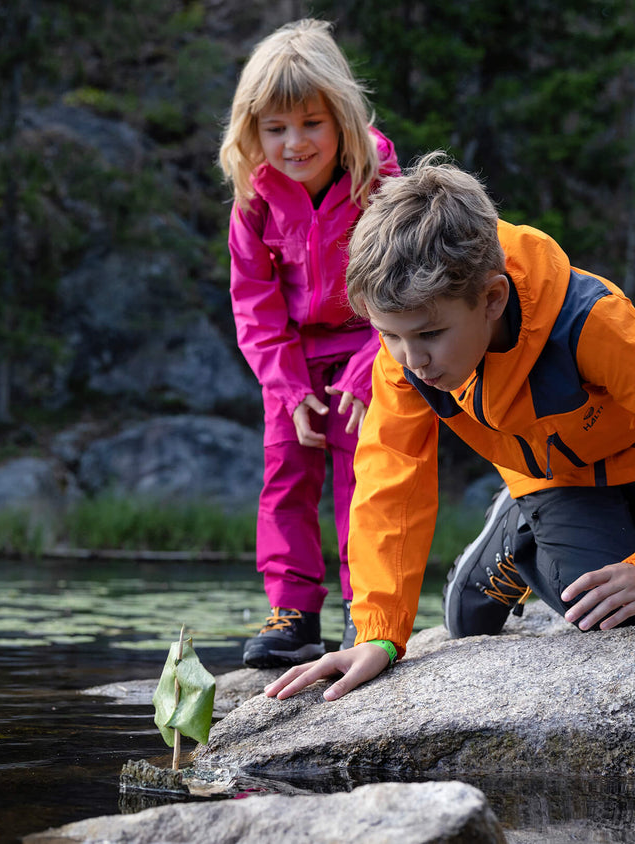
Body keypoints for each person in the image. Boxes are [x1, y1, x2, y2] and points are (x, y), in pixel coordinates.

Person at [265, 154, 635, 701]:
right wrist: (379, 634)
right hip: (554, 478)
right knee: (604, 614)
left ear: (491, 298)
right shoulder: (406, 354)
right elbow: (390, 482)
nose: (412, 359)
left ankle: (562, 532)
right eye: (391, 336)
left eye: (430, 334)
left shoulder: (591, 323)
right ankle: (518, 529)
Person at [219, 19, 401, 668]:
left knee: (366, 480)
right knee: (286, 479)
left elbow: (399, 284)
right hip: (291, 360)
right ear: (253, 132)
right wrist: (290, 388)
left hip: (372, 348)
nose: (295, 143)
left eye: (311, 123)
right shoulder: (255, 199)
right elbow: (255, 304)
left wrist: (364, 373)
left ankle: (365, 610)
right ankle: (293, 615)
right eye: (276, 128)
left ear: (342, 117)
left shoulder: (378, 179)